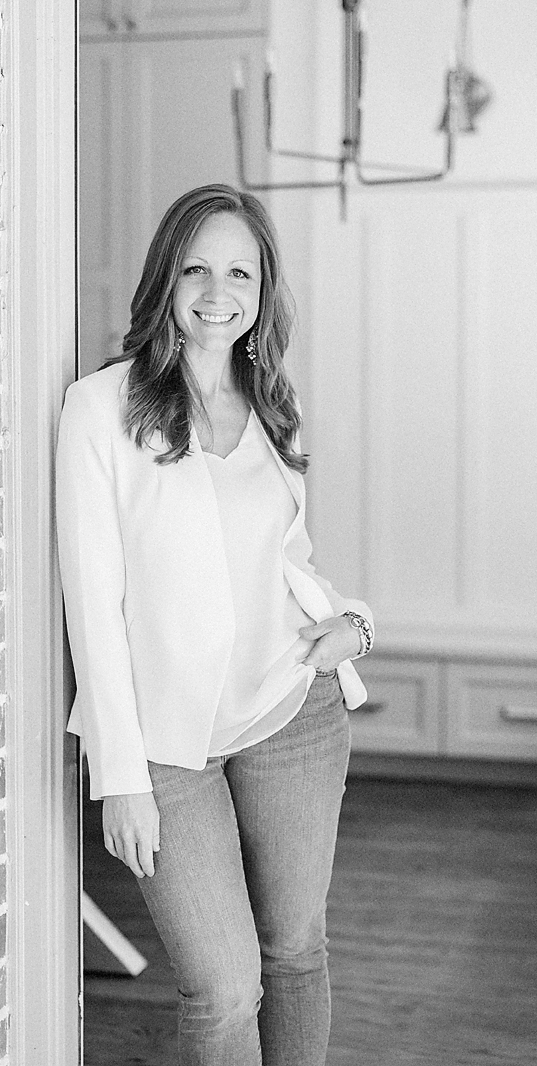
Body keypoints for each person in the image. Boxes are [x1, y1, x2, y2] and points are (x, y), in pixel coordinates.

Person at [56, 183, 374, 1066]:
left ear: (264, 288)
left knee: (296, 952)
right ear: (167, 276)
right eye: (197, 267)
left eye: (240, 271)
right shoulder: (100, 409)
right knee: (225, 986)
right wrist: (121, 777)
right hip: (169, 747)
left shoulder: (276, 400)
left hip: (292, 712)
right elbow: (94, 604)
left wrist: (355, 625)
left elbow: (291, 560)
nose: (216, 291)